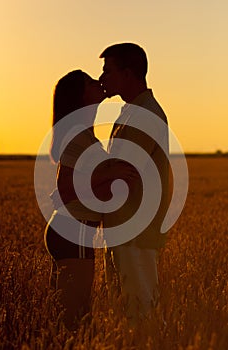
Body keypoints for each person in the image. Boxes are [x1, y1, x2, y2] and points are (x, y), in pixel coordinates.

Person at [45, 69, 135, 330]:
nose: (99, 82)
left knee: (65, 312)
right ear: (82, 96)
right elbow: (65, 190)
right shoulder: (78, 133)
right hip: (76, 232)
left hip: (69, 230)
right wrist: (109, 174)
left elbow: (66, 187)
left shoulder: (83, 133)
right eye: (92, 82)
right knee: (76, 318)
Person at [99, 43, 169, 325]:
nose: (102, 78)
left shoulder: (143, 114)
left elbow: (121, 173)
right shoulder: (131, 110)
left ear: (127, 74)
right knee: (125, 309)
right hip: (124, 228)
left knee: (140, 312)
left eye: (108, 70)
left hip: (135, 231)